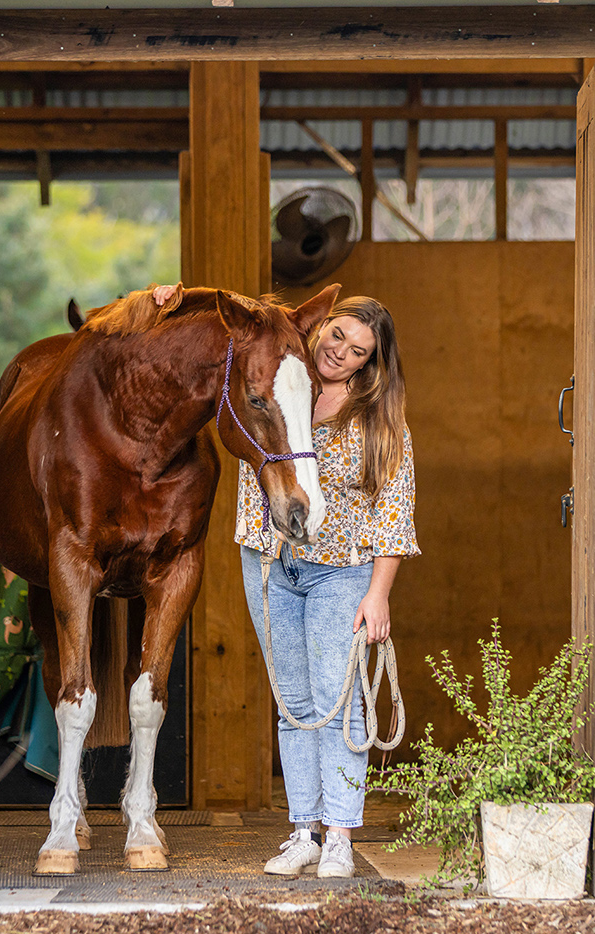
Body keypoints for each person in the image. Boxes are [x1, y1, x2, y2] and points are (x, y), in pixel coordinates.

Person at [235, 295, 419, 879]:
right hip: (269, 562)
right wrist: (169, 296)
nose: (339, 353)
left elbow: (395, 510)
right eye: (337, 336)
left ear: (369, 364)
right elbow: (235, 315)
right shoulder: (279, 381)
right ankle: (303, 831)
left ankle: (339, 834)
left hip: (341, 569)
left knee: (337, 704)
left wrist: (379, 592)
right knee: (293, 704)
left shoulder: (379, 419)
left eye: (357, 352)